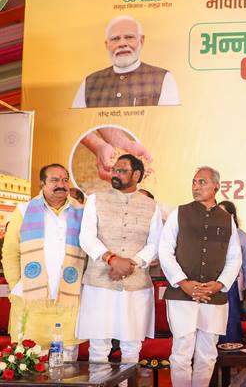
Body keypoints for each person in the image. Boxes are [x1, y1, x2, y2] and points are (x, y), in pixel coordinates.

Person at [159, 166, 241, 387]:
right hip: (181, 294)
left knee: (207, 354)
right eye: (194, 182)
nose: (196, 186)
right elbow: (164, 250)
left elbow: (234, 258)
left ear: (216, 186)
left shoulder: (227, 219)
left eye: (202, 182)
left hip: (214, 296)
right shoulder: (179, 213)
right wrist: (183, 282)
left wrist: (219, 285)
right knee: (181, 353)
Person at [77, 154, 163, 365]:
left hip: (136, 284)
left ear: (137, 175)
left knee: (131, 347)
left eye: (122, 171)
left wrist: (130, 263)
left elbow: (155, 243)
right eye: (114, 170)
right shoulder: (95, 199)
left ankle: (127, 381)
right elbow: (86, 237)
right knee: (98, 346)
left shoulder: (152, 206)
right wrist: (112, 259)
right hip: (100, 281)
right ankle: (98, 380)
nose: (115, 174)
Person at [1, 164, 85, 357]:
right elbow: (10, 252)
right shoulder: (24, 210)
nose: (61, 184)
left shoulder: (81, 212)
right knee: (31, 358)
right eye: (54, 180)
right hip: (31, 297)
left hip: (69, 296)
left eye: (65, 180)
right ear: (42, 184)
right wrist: (16, 285)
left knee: (67, 359)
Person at [72, 15, 180, 108]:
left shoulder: (163, 78)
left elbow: (169, 121)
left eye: (129, 37)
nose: (122, 44)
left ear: (141, 41)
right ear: (107, 45)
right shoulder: (90, 83)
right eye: (115, 39)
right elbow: (79, 122)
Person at [218, 200, 246, 343]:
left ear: (232, 215)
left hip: (233, 283)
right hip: (213, 283)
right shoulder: (213, 233)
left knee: (232, 318)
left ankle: (232, 349)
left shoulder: (242, 236)